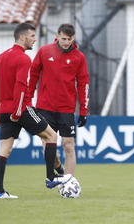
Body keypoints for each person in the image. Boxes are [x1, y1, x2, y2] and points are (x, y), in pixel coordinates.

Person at [0, 23, 72, 199]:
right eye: (32, 36)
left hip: (5, 110)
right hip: (21, 109)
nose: (35, 39)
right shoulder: (23, 59)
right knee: (51, 136)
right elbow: (21, 87)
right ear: (23, 37)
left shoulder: (1, 57)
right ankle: (51, 178)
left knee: (4, 150)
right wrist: (18, 112)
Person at [29, 23, 89, 177]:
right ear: (57, 36)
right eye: (63, 38)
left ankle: (68, 183)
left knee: (68, 146)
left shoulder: (79, 57)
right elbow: (33, 75)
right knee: (48, 146)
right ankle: (59, 171)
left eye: (69, 39)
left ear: (73, 38)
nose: (66, 42)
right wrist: (28, 99)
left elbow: (83, 84)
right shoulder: (44, 51)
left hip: (67, 109)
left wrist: (83, 111)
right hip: (45, 107)